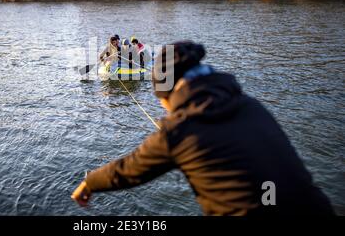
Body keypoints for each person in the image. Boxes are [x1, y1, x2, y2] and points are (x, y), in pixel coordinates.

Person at [72, 41, 335, 215]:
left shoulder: (181, 129)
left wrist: (89, 182)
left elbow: (128, 170)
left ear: (167, 93)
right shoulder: (250, 105)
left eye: (161, 101)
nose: (165, 108)